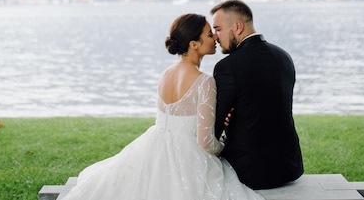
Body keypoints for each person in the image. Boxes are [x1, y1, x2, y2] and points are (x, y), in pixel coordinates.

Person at [59, 13, 264, 200]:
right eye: (210, 34)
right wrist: (222, 146)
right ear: (194, 44)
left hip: (154, 147)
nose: (215, 38)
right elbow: (204, 142)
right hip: (188, 157)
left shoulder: (166, 74)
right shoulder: (204, 82)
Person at [211, 0, 304, 189]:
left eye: (218, 29)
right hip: (288, 166)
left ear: (237, 26)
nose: (215, 37)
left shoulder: (228, 67)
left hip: (249, 170)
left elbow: (214, 126)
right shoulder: (284, 56)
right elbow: (263, 105)